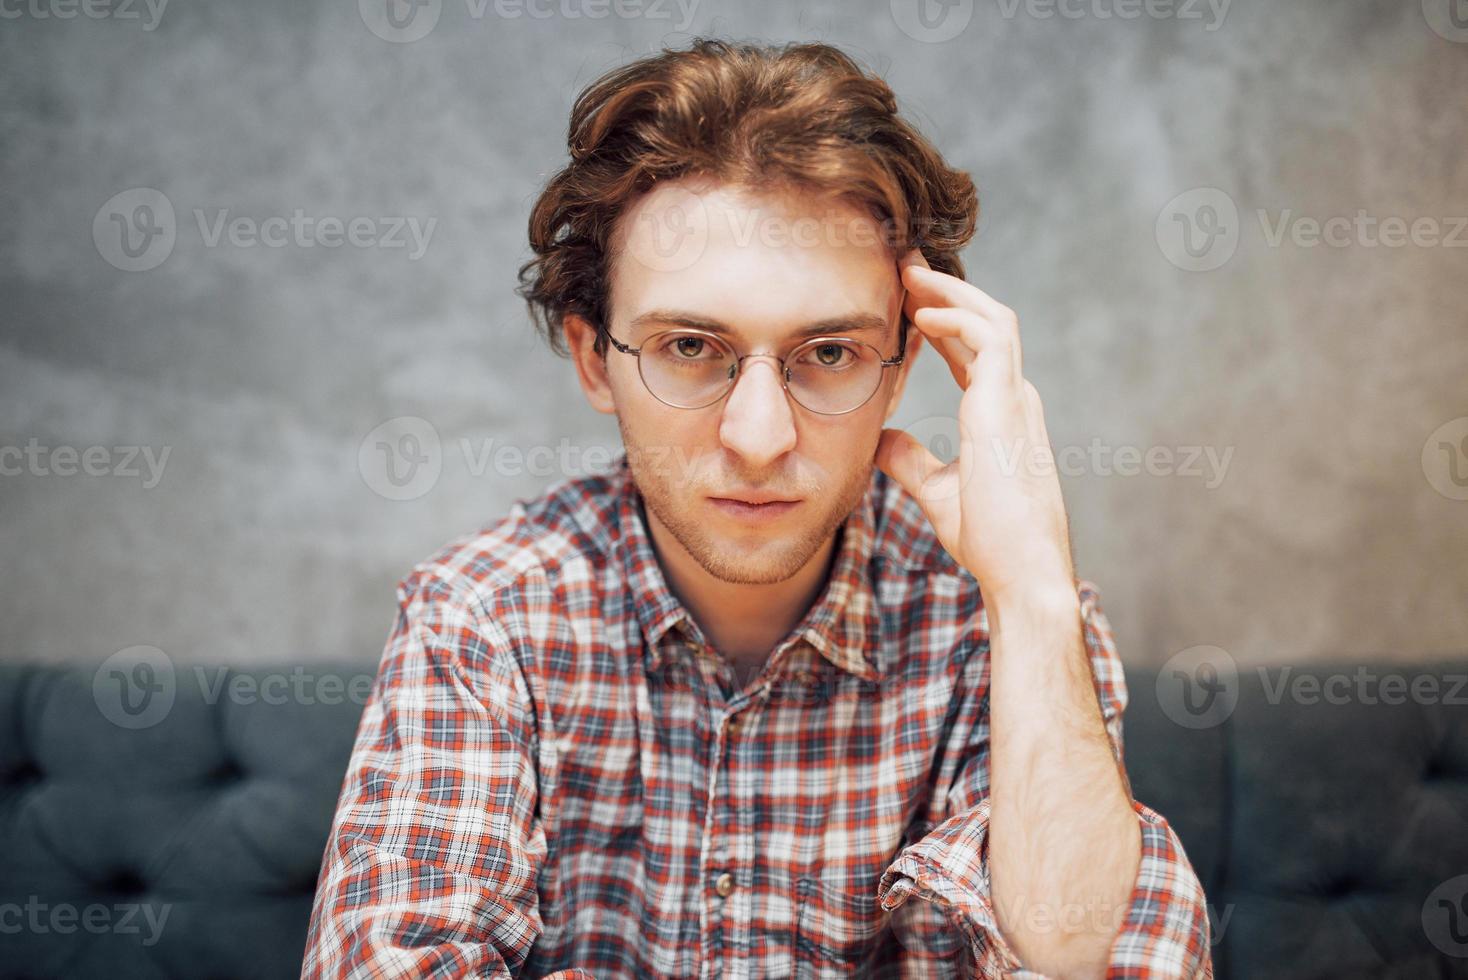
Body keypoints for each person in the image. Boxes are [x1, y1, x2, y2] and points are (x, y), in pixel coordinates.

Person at [302, 37, 1212, 979]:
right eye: (692, 347)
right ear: (592, 360)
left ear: (899, 373)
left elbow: (1098, 964)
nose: (760, 436)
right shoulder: (483, 617)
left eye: (830, 354)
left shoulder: (1005, 620)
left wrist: (1030, 595)